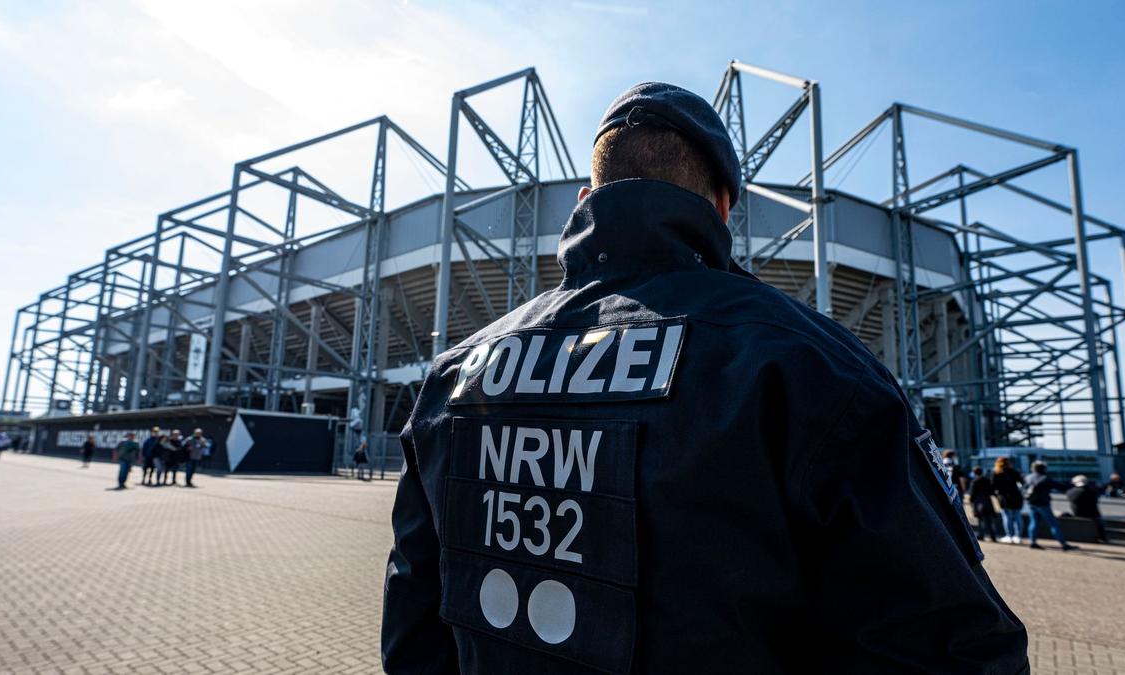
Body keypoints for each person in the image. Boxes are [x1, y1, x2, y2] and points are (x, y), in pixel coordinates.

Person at [381, 82, 1027, 674]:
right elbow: (947, 643)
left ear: (585, 200)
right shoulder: (805, 364)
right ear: (720, 208)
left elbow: (414, 614)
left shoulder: (456, 372)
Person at [1023, 461, 1078, 551]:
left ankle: (1032, 541)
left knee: (1034, 523)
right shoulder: (1045, 478)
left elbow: (1024, 489)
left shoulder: (1028, 477)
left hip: (1032, 503)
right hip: (1043, 504)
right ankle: (1063, 544)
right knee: (1053, 524)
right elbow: (1060, 487)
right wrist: (1072, 484)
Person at [992, 456, 1025, 544]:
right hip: (1016, 496)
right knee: (1017, 516)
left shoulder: (997, 474)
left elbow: (993, 487)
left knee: (1007, 517)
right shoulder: (1015, 472)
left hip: (1004, 497)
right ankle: (1018, 536)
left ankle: (1009, 535)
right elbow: (1022, 484)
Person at [1067, 475, 1108, 542]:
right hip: (1091, 514)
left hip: (1077, 513)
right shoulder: (1091, 492)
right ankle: (1102, 537)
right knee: (1098, 519)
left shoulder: (1070, 492)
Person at [967, 466, 997, 542]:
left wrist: (971, 501)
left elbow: (972, 493)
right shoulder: (987, 480)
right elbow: (992, 491)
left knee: (981, 519)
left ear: (974, 473)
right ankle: (993, 536)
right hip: (987, 500)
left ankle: (981, 535)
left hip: (978, 500)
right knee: (990, 519)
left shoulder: (974, 481)